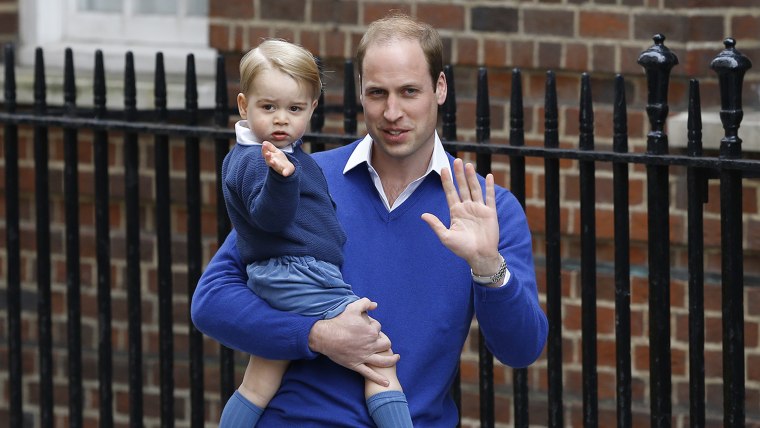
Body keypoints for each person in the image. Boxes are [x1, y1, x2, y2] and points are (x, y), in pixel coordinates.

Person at [192, 12, 548, 427]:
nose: (392, 111)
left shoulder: (489, 210)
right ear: (360, 92)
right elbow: (211, 302)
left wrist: (488, 268)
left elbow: (521, 350)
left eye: (409, 91)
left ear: (440, 88)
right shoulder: (305, 177)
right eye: (378, 93)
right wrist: (316, 336)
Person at [216, 39, 412, 427]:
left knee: (259, 381)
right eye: (268, 107)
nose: (280, 120)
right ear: (244, 106)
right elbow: (268, 216)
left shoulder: (283, 155)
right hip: (298, 272)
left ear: (312, 109)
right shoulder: (260, 161)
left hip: (280, 275)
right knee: (378, 355)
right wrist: (281, 179)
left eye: (294, 109)